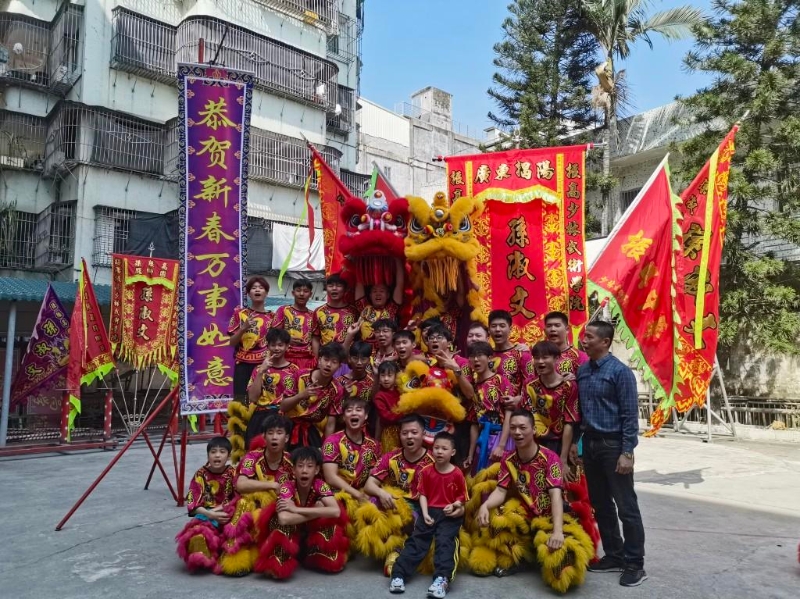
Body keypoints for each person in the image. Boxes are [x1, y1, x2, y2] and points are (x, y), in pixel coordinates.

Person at [469, 411, 593, 593]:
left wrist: (557, 532)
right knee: (494, 523)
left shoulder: (550, 458)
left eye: (522, 428)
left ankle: (538, 555)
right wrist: (485, 506)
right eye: (513, 428)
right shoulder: (508, 458)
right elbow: (501, 490)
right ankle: (523, 557)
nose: (517, 432)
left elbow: (556, 497)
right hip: (524, 516)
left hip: (550, 517)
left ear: (534, 430)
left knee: (562, 566)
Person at [572, 320, 646, 587]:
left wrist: (627, 452)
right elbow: (582, 413)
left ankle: (635, 563)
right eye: (584, 335)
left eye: (589, 336)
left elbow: (629, 416)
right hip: (590, 445)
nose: (584, 340)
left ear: (605, 342)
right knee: (601, 504)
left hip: (614, 446)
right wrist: (578, 444)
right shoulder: (583, 371)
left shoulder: (620, 373)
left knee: (626, 507)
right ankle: (614, 555)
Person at [389, 432, 468, 598]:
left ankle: (442, 579)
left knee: (446, 542)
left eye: (444, 448)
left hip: (450, 515)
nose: (439, 451)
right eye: (436, 448)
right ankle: (398, 575)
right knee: (417, 541)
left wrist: (454, 506)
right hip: (429, 511)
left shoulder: (457, 473)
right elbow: (423, 494)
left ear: (452, 452)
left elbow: (462, 498)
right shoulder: (426, 472)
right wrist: (424, 513)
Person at [354, 414, 435, 574]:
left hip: (420, 509)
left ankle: (397, 552)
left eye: (414, 432)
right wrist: (382, 493)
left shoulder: (433, 460)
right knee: (371, 503)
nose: (409, 437)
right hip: (394, 502)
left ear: (423, 433)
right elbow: (370, 484)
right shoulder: (391, 457)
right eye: (405, 433)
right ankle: (388, 549)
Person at [254, 447, 349, 579]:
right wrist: (319, 512)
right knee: (278, 522)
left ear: (316, 470)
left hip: (311, 533)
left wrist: (296, 510)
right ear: (293, 470)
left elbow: (335, 511)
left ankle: (316, 558)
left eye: (309, 466)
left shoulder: (320, 485)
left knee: (328, 519)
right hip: (293, 533)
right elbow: (284, 519)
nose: (304, 470)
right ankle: (278, 563)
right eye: (300, 466)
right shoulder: (287, 486)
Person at [219, 414, 294, 576]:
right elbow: (241, 484)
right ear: (264, 436)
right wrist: (271, 485)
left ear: (286, 437)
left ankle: (273, 560)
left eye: (279, 433)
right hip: (250, 507)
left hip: (276, 509)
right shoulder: (252, 457)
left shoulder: (291, 463)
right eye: (270, 432)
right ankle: (235, 558)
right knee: (243, 504)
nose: (275, 437)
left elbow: (291, 493)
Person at [176, 437, 237, 573]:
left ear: (228, 456)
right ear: (208, 455)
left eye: (222, 452)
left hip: (227, 513)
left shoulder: (233, 473)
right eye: (213, 452)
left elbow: (238, 496)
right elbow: (193, 504)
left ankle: (226, 556)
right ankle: (203, 555)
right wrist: (211, 514)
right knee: (198, 533)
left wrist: (222, 509)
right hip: (207, 515)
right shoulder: (200, 475)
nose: (217, 455)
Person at [322, 397, 381, 533]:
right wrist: (356, 495)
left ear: (366, 416)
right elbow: (330, 477)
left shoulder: (373, 446)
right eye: (349, 410)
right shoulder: (333, 441)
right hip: (337, 493)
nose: (354, 413)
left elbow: (373, 477)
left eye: (358, 410)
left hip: (362, 492)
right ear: (344, 417)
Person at [281, 342, 346, 449]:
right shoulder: (299, 375)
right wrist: (301, 395)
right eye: (326, 360)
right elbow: (283, 406)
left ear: (339, 367)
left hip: (311, 429)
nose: (328, 364)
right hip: (288, 424)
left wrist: (326, 447)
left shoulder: (337, 389)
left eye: (334, 362)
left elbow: (330, 424)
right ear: (319, 360)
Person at [525, 340, 579, 467]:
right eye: (536, 358)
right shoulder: (529, 385)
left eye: (545, 357)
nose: (540, 361)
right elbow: (527, 417)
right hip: (534, 442)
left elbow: (569, 422)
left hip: (560, 443)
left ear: (557, 359)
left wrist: (563, 458)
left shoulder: (569, 386)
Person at [243, 328, 300, 449]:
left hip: (285, 416)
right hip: (261, 416)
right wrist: (260, 372)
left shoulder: (295, 370)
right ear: (267, 346)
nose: (277, 348)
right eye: (273, 345)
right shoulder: (259, 369)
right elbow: (252, 398)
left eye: (280, 345)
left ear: (287, 346)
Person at [465, 341, 515, 472]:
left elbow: (509, 414)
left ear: (489, 358)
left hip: (501, 436)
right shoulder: (473, 387)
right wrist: (470, 454)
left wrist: (501, 445)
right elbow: (474, 423)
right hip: (483, 439)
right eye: (472, 356)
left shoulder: (500, 381)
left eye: (480, 355)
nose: (476, 359)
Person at [228, 276, 274, 401]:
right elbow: (231, 343)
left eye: (261, 288)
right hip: (242, 365)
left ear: (266, 293)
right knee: (241, 402)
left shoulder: (272, 317)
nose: (257, 290)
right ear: (248, 293)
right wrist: (243, 328)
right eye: (254, 288)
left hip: (264, 365)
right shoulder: (240, 314)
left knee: (262, 401)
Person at [354, 259, 404, 348]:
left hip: (386, 352)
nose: (378, 294)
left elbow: (399, 284)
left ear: (388, 295)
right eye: (374, 291)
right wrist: (359, 260)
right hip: (364, 354)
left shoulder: (391, 309)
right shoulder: (364, 307)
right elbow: (359, 283)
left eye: (382, 291)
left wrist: (398, 259)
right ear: (369, 295)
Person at [272, 279, 316, 370]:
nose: (301, 294)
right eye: (298, 290)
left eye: (306, 291)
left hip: (307, 359)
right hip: (286, 358)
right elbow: (273, 333)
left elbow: (316, 339)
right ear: (293, 293)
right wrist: (287, 339)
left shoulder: (313, 315)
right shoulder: (283, 310)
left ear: (310, 294)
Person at [312, 273, 358, 356]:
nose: (334, 288)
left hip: (348, 358)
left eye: (338, 285)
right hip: (326, 357)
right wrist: (316, 360)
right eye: (330, 285)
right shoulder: (319, 311)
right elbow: (315, 338)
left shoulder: (354, 311)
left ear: (345, 289)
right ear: (326, 288)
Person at [488, 309, 532, 396]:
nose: (497, 329)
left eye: (502, 326)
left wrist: (519, 400)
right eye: (494, 326)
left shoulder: (522, 354)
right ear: (489, 330)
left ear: (510, 329)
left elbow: (531, 384)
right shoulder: (487, 356)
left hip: (515, 407)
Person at [543, 311, 588, 379]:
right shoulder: (538, 357)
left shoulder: (581, 357)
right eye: (549, 326)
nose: (552, 329)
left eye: (557, 325)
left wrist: (575, 379)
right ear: (544, 331)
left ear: (567, 329)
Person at [373, 360, 402, 451]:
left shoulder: (401, 391)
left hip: (404, 429)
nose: (386, 379)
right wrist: (404, 414)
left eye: (389, 376)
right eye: (383, 375)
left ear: (396, 377)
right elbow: (386, 416)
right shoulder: (379, 396)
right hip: (389, 432)